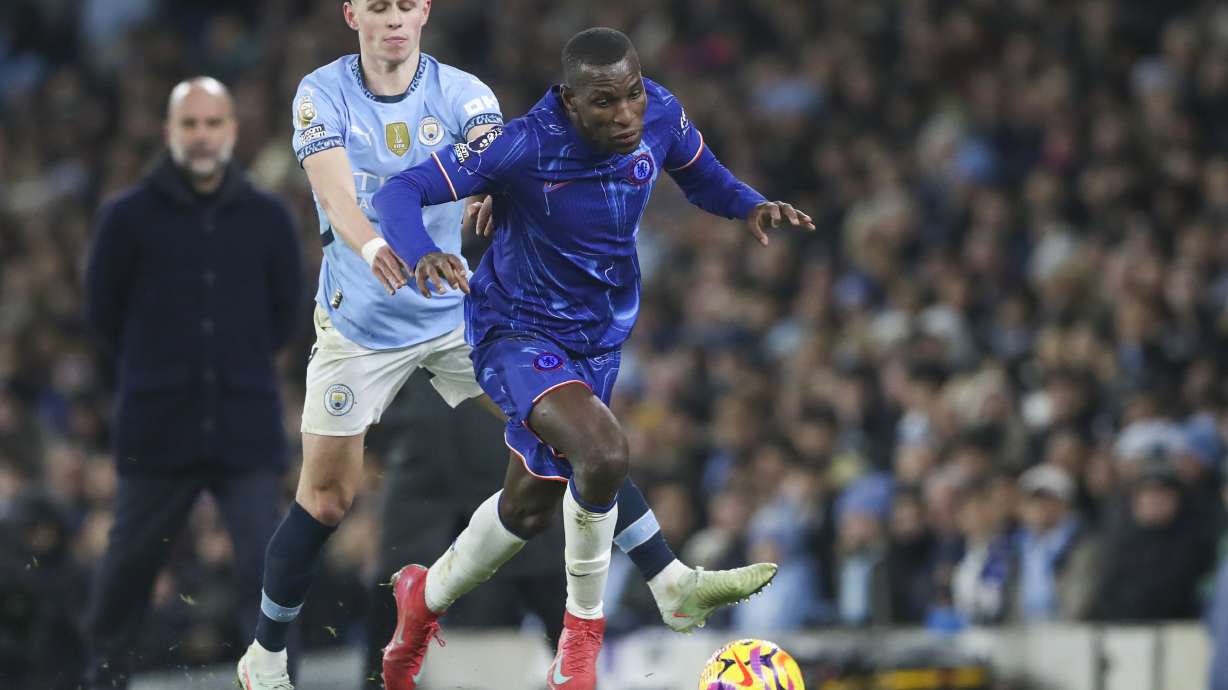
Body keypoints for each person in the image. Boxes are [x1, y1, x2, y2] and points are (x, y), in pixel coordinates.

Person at [237, 6, 778, 689]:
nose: (395, 18)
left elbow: (496, 166)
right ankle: (265, 656)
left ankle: (660, 583)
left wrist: (492, 196)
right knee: (326, 499)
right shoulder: (323, 93)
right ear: (353, 13)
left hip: (454, 314)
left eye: (406, 3)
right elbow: (340, 194)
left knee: (578, 445)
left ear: (425, 10)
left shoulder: (467, 95)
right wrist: (386, 246)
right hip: (363, 323)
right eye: (378, 5)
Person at [373, 26, 810, 690]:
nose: (626, 113)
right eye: (605, 103)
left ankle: (422, 598)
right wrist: (421, 250)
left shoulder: (659, 111)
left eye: (631, 94)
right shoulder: (518, 145)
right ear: (569, 101)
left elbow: (701, 178)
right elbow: (396, 194)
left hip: (597, 342)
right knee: (603, 452)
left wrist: (749, 202)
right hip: (513, 329)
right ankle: (581, 646)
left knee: (527, 510)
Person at [81, 76, 303, 690]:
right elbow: (102, 315)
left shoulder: (268, 219)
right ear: (169, 132)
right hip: (157, 427)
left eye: (213, 124)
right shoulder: (124, 218)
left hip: (244, 425)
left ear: (232, 132)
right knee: (128, 567)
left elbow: (288, 312)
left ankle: (279, 680)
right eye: (190, 124)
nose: (202, 136)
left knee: (269, 570)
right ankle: (102, 680)